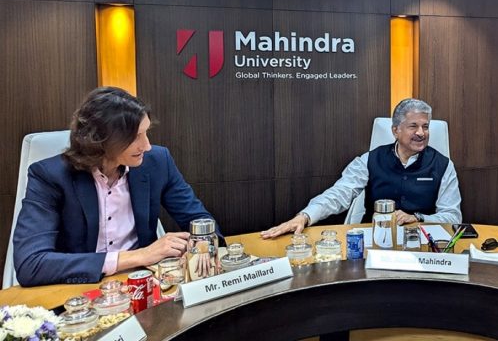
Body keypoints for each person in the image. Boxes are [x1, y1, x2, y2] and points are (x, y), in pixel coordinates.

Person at [13, 87, 224, 286]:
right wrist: (137, 256)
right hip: (78, 295)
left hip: (143, 287)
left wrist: (202, 246)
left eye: (146, 133)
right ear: (99, 140)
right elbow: (31, 264)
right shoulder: (50, 176)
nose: (147, 146)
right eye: (135, 137)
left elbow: (199, 219)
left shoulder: (157, 162)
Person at [261, 98, 462, 239]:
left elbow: (453, 217)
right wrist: (304, 216)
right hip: (374, 241)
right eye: (413, 126)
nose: (421, 133)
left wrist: (418, 217)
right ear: (395, 130)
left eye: (425, 127)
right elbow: (339, 193)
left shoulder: (443, 165)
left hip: (423, 243)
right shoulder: (369, 160)